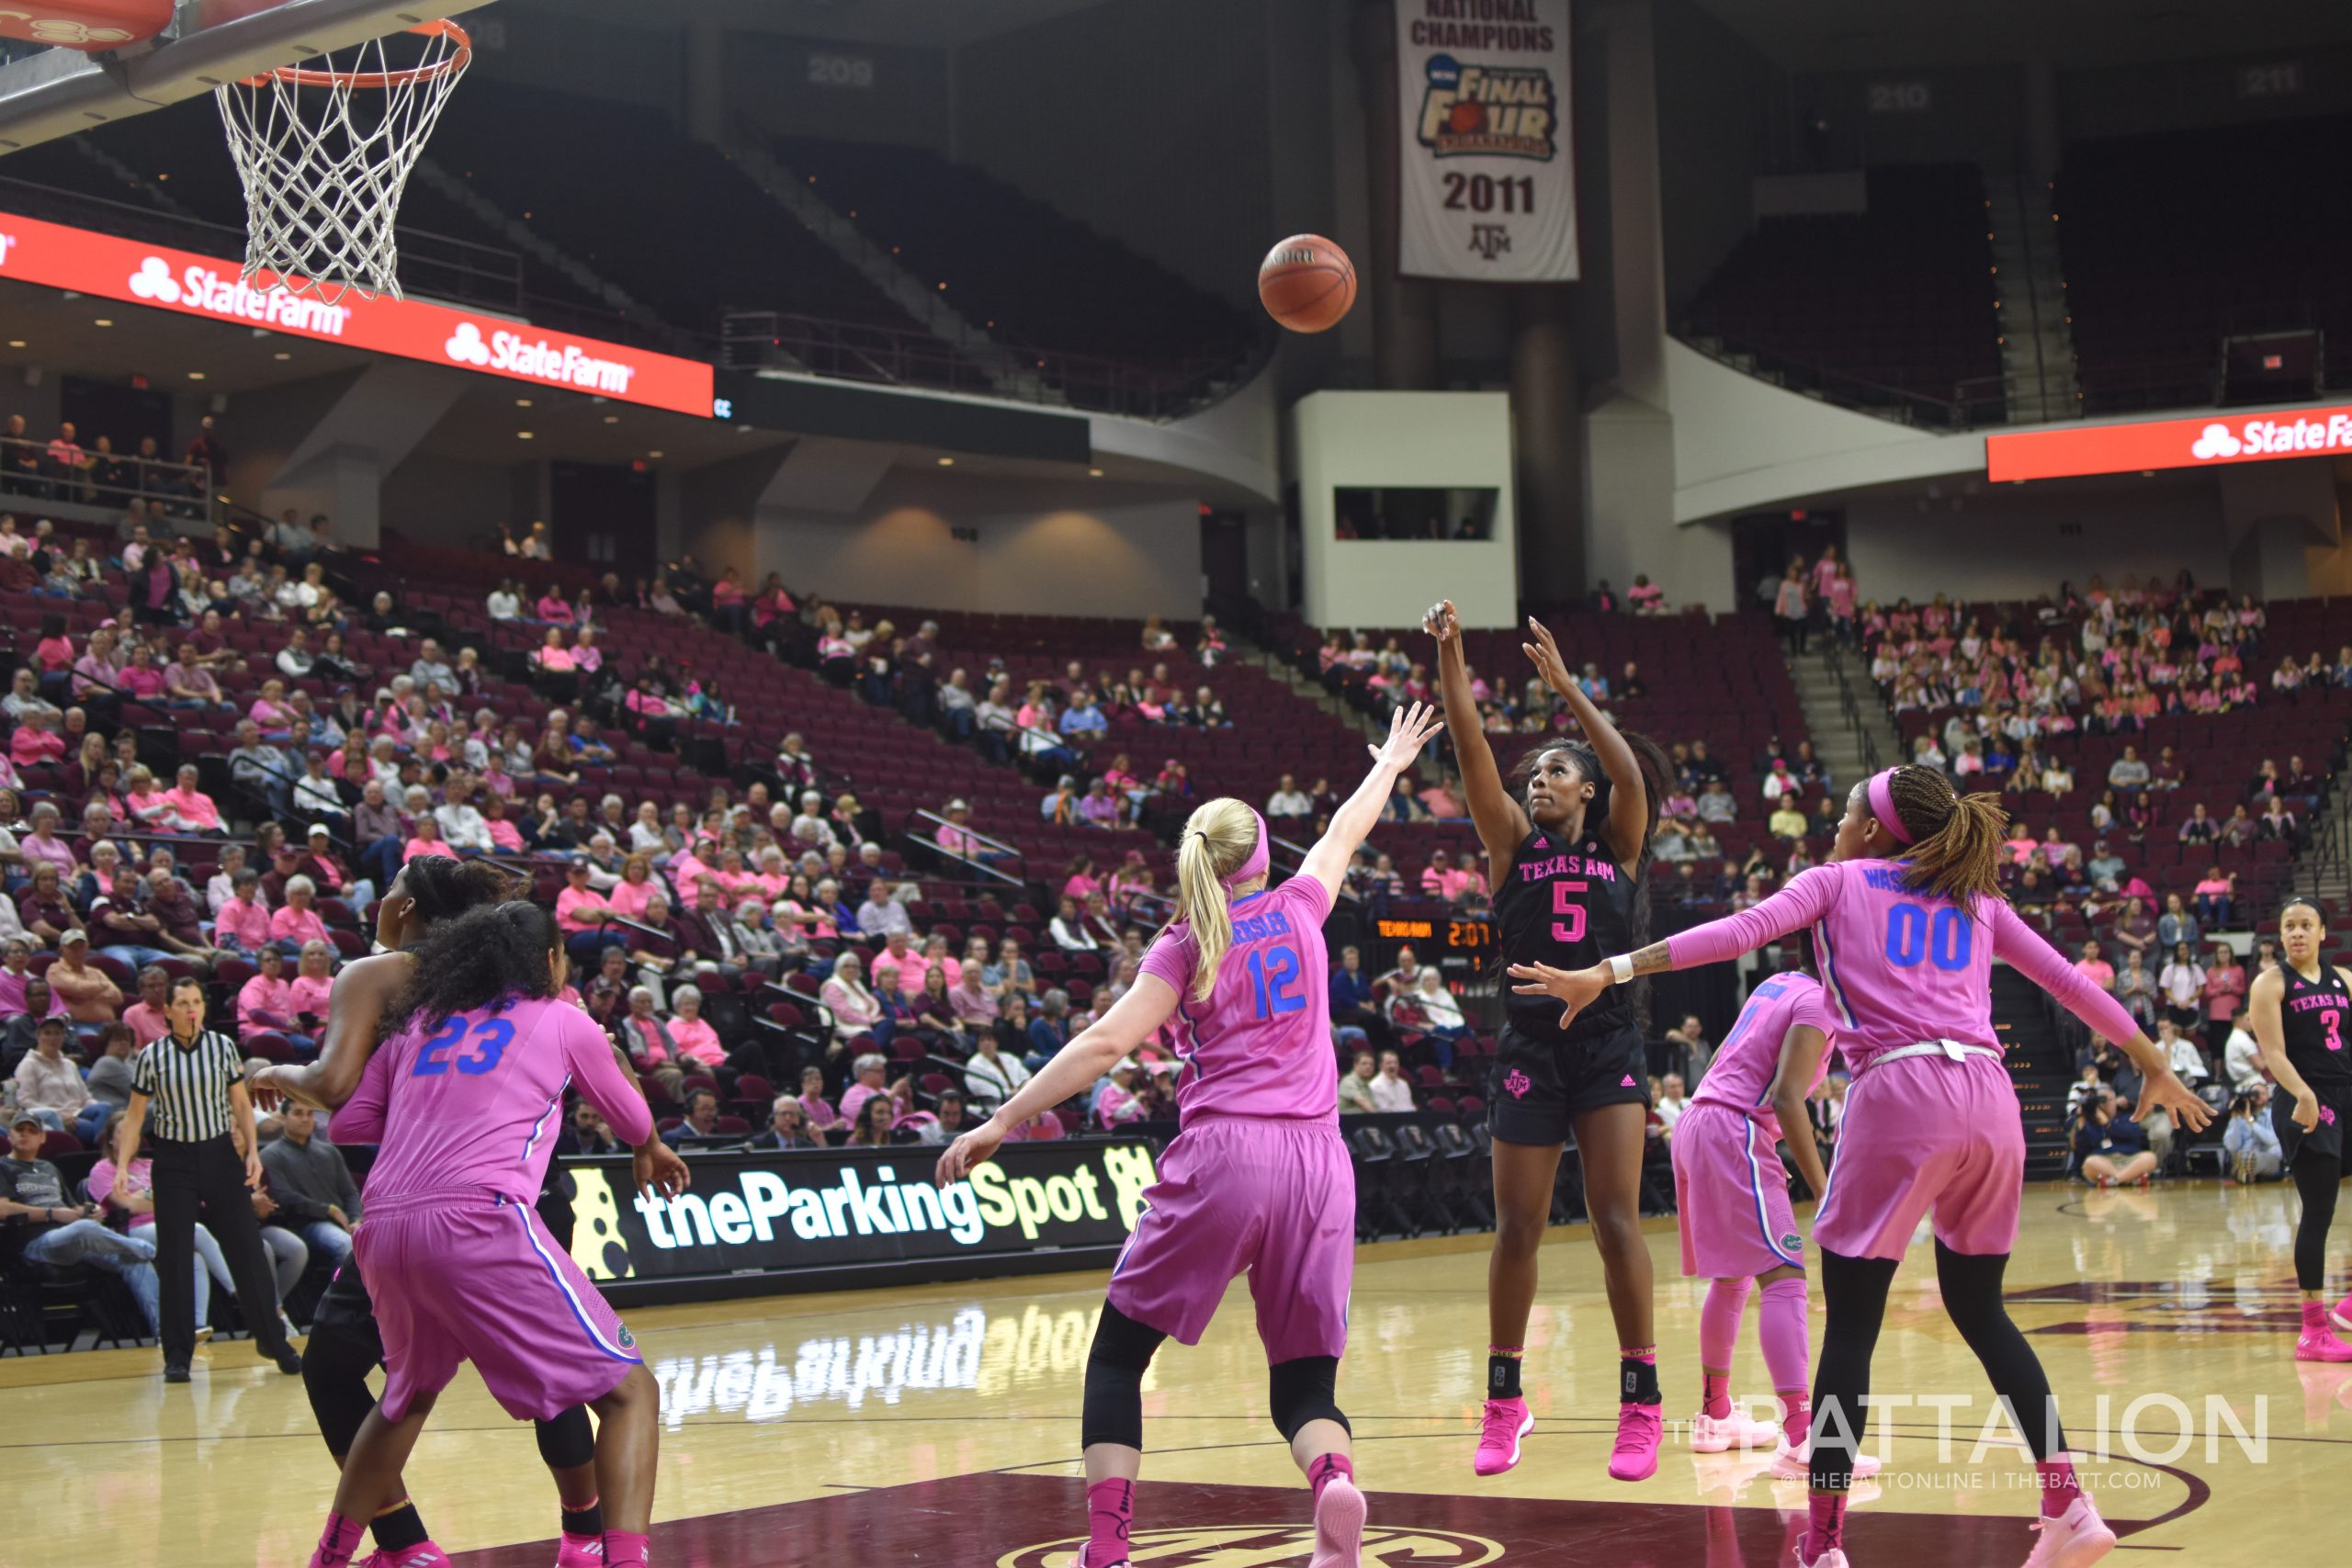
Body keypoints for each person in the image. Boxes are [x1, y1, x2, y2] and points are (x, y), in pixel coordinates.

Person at [1506, 762, 2209, 1568]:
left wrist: (1613, 968)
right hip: (1990, 1095)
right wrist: (2150, 1058)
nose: (1834, 824)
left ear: (1874, 829)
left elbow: (1735, 932)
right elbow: (2064, 977)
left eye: (1843, 812)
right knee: (1984, 1313)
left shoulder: (1837, 879)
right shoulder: (1977, 900)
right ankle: (2068, 1501)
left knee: (1852, 1328)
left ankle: (1827, 1543)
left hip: (1903, 1089)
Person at [934, 700, 1444, 1568]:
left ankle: (1108, 1548)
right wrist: (1390, 763)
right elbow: (1346, 829)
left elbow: (1103, 1043)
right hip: (1321, 1162)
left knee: (1118, 1357)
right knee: (1305, 1382)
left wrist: (1002, 1119)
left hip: (1227, 1156)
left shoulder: (1185, 943)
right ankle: (1331, 1483)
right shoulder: (1301, 907)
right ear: (1262, 855)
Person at [251, 857, 685, 1568]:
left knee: (403, 1398)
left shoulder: (419, 1020)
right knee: (629, 1391)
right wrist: (650, 1145)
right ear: (548, 960)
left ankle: (332, 1555)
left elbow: (350, 1122)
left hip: (385, 1224)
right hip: (484, 1215)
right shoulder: (561, 1018)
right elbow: (631, 1113)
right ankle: (611, 1552)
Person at [1426, 601, 1670, 1482]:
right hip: (1529, 1049)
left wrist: (1567, 689)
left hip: (1607, 1043)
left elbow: (1632, 774)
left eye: (1558, 770)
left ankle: (1641, 1400)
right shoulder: (1510, 847)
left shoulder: (1623, 839)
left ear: (1588, 790)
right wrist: (1451, 656)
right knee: (1518, 1227)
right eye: (1537, 774)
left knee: (1614, 1221)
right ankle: (1505, 1398)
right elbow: (1471, 746)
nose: (1540, 780)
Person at [1668, 942, 1879, 1482]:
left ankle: (1716, 1417)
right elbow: (1787, 1097)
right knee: (1785, 1279)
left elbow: (1723, 1063)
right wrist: (1824, 1187)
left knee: (1734, 1278)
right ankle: (1804, 1438)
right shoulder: (1819, 1007)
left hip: (1700, 1122)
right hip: (1733, 1128)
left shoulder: (1777, 984)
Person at [113, 976, 305, 1382]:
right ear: (167, 1010)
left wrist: (252, 1153)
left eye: (196, 1001)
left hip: (219, 1155)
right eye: (182, 1002)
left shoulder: (221, 1047)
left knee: (248, 1252)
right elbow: (133, 1117)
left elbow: (240, 1103)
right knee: (177, 1256)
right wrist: (122, 1167)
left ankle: (274, 1342)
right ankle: (178, 1355)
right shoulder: (152, 1056)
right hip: (173, 1160)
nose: (191, 1009)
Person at [2245, 898, 2352, 1362]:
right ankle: (2313, 1329)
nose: (2297, 933)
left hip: (2345, 1093)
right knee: (2319, 1210)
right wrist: (2304, 1094)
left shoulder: (2345, 980)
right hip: (2304, 1100)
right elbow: (2273, 1053)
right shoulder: (2271, 983)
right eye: (2289, 926)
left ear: (2324, 932)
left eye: (2306, 925)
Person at [0, 1106, 162, 1333]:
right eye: (20, 1130)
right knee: (92, 1232)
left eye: (31, 1130)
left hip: (72, 1238)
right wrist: (52, 1214)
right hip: (36, 1244)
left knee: (134, 1261)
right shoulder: (3, 1166)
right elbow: (2, 1208)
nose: (25, 1134)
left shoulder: (49, 1168)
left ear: (42, 1137)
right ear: (10, 1135)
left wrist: (89, 1209)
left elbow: (69, 1207)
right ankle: (142, 1247)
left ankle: (164, 1334)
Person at [260, 1103, 361, 1269]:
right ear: (283, 1118)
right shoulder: (271, 1155)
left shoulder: (329, 1152)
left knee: (386, 1242)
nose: (305, 1119)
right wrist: (328, 1210)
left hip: (342, 1221)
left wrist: (356, 1219)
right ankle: (337, 1294)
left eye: (309, 1114)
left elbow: (349, 1192)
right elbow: (284, 1197)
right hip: (305, 1224)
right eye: (298, 1114)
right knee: (347, 1246)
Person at [2074, 1089, 2155, 1187]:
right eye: (2102, 1101)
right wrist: (2081, 1123)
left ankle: (2113, 1181)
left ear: (2115, 1101)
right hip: (2105, 1162)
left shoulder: (2127, 1116)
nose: (2106, 1104)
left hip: (2129, 1159)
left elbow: (2133, 1134)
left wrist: (2108, 1124)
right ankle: (2129, 1178)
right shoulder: (2091, 1122)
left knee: (2150, 1158)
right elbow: (2082, 1148)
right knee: (2089, 1163)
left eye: (2109, 1100)